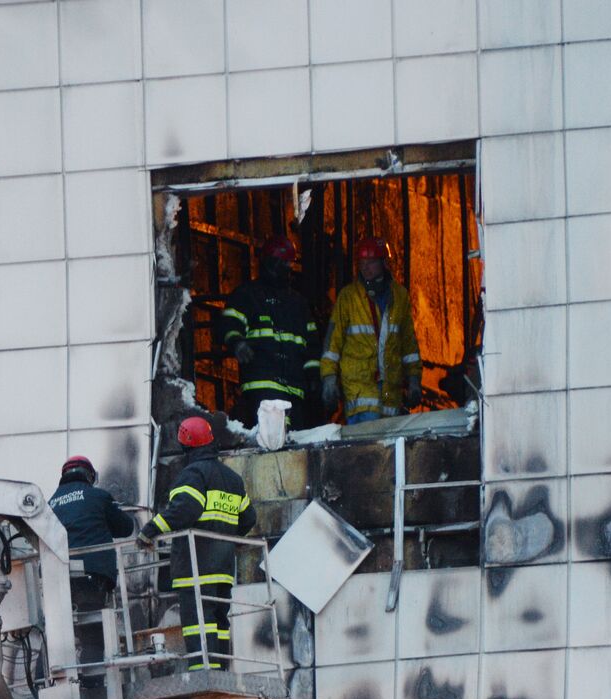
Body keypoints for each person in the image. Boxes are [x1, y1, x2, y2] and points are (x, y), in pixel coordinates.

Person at [137, 416, 256, 671]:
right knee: (218, 620)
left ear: (185, 445)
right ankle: (221, 669)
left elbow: (184, 510)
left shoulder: (193, 474)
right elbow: (248, 518)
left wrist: (149, 531)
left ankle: (203, 670)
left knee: (198, 618)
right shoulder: (232, 479)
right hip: (223, 567)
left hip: (196, 564)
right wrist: (225, 538)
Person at [49, 455, 135, 699]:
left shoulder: (49, 504)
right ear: (90, 476)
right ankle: (92, 685)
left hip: (58, 578)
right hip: (92, 575)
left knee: (57, 634)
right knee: (93, 633)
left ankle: (49, 683)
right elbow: (125, 527)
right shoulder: (98, 496)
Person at [216, 234, 321, 427]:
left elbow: (312, 345)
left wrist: (314, 378)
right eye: (279, 263)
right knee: (270, 440)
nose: (283, 268)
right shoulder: (247, 295)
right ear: (265, 262)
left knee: (295, 441)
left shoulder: (299, 303)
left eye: (286, 263)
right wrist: (237, 343)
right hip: (262, 386)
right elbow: (229, 324)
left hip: (296, 390)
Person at [320, 236, 422, 423]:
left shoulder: (399, 296)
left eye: (371, 262)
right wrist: (329, 379)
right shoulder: (348, 298)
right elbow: (332, 343)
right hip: (360, 394)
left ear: (384, 262)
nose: (365, 267)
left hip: (391, 396)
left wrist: (414, 379)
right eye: (362, 262)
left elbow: (408, 344)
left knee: (390, 451)